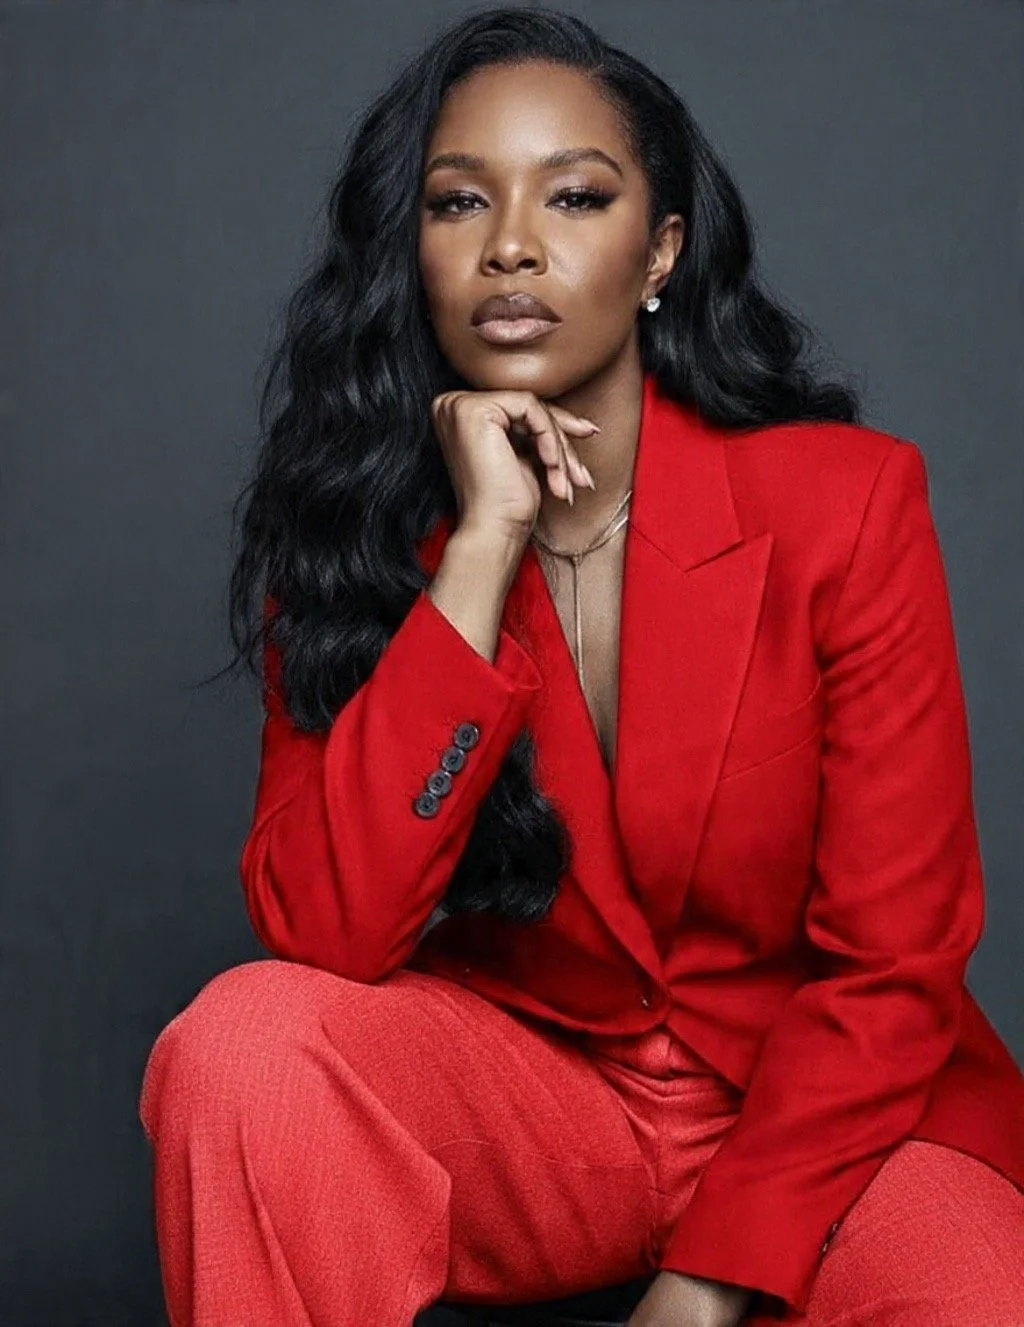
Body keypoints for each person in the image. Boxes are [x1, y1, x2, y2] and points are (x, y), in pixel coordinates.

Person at [138, 7, 1024, 1325]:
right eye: (458, 202)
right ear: (415, 253)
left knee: (970, 1284)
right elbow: (325, 930)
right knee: (244, 1045)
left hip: (834, 1121)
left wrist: (714, 1272)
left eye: (574, 195)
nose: (512, 244)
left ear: (660, 249)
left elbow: (896, 966)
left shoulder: (846, 503)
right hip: (548, 1108)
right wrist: (481, 549)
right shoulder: (363, 538)